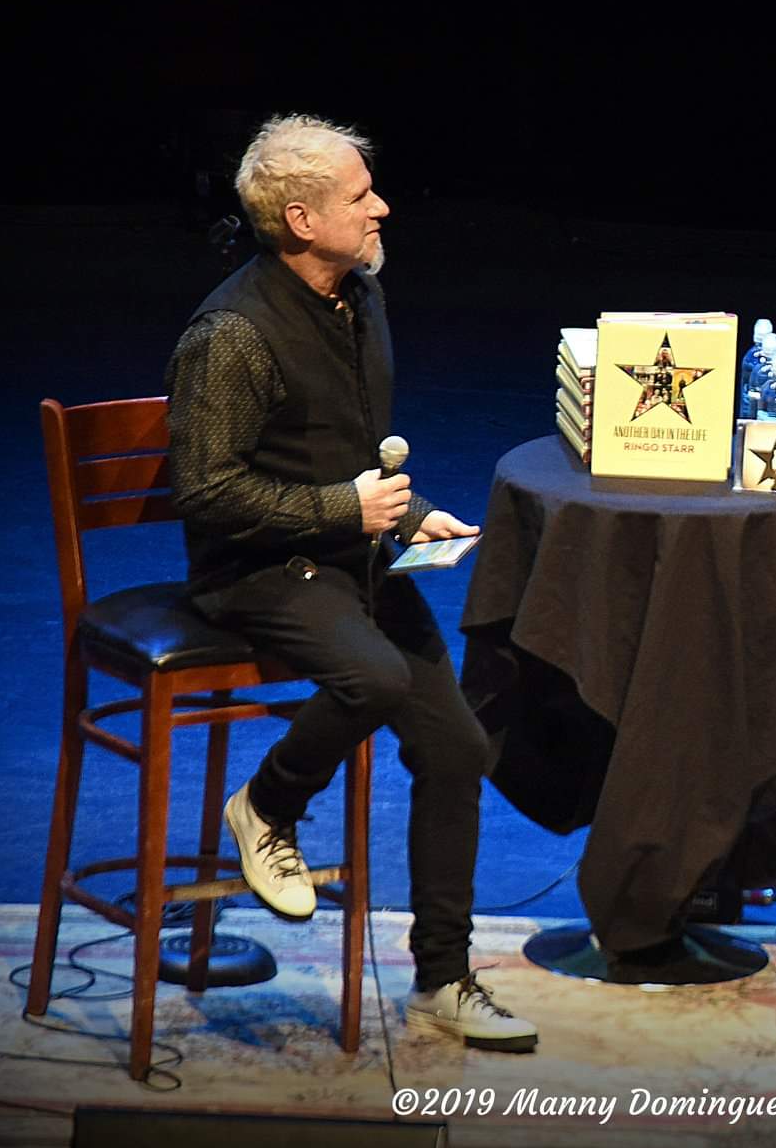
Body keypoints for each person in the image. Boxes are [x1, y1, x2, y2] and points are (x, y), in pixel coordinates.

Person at [166, 114, 536, 1050]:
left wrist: (407, 516)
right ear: (301, 219)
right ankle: (268, 804)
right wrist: (347, 509)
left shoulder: (358, 297)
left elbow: (347, 449)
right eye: (360, 196)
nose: (382, 208)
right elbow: (207, 494)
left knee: (458, 746)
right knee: (374, 676)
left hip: (346, 556)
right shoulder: (232, 334)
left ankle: (443, 977)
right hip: (254, 569)